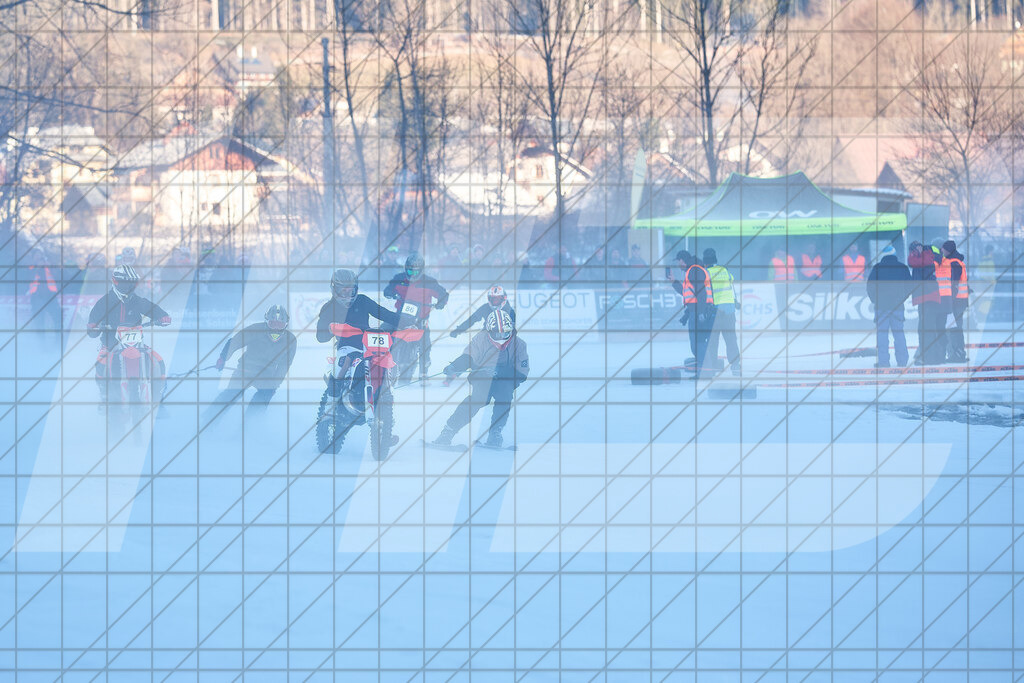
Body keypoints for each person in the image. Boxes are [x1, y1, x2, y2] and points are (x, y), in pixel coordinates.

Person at [431, 310, 529, 448]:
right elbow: (469, 356)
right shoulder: (481, 339)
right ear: (489, 331)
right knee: (478, 399)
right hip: (482, 376)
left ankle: (495, 433)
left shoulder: (519, 344)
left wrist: (501, 372)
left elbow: (522, 372)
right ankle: (448, 431)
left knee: (505, 397)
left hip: (506, 378)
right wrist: (454, 366)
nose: (501, 337)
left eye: (505, 333)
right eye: (497, 334)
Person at [87, 265, 171, 405]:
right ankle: (104, 395)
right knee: (100, 365)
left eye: (131, 283)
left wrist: (162, 316)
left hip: (137, 345)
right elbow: (93, 323)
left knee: (158, 361)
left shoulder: (137, 301)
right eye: (125, 283)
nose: (128, 287)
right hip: (110, 344)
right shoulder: (104, 302)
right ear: (115, 281)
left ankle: (158, 397)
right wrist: (93, 327)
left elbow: (152, 309)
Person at [317, 268, 401, 401]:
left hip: (368, 344)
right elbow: (320, 337)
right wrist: (329, 328)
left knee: (384, 357)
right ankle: (332, 402)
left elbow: (383, 313)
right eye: (343, 291)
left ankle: (386, 385)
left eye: (351, 290)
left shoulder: (362, 301)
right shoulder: (329, 307)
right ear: (334, 290)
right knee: (343, 362)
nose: (347, 294)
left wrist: (404, 322)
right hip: (347, 345)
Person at [207, 305, 297, 419]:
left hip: (267, 376)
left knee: (262, 400)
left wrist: (274, 384)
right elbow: (235, 342)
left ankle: (249, 428)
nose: (275, 328)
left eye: (280, 324)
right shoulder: (255, 330)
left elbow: (284, 365)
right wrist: (223, 358)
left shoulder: (291, 340)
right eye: (272, 323)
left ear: (286, 324)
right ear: (266, 321)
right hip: (245, 370)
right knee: (231, 395)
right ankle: (208, 419)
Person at [383, 253, 449, 381]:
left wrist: (441, 302)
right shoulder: (399, 278)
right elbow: (388, 289)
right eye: (409, 270)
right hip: (400, 316)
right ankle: (380, 361)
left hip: (420, 318)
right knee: (384, 330)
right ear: (405, 269)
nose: (412, 274)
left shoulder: (429, 282)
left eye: (416, 271)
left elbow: (443, 294)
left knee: (425, 339)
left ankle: (424, 368)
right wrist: (390, 293)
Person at [668, 250, 714, 378]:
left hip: (699, 313)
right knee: (698, 344)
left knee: (698, 344)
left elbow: (701, 292)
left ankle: (704, 372)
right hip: (697, 312)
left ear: (682, 260)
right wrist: (674, 282)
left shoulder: (694, 270)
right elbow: (688, 293)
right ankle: (704, 371)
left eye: (679, 262)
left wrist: (701, 312)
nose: (678, 265)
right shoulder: (693, 270)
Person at [866, 245, 912, 368]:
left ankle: (883, 362)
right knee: (899, 334)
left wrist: (875, 300)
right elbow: (910, 286)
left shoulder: (877, 268)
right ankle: (902, 361)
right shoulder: (903, 268)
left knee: (882, 335)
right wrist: (902, 298)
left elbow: (870, 287)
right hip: (898, 307)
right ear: (895, 253)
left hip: (881, 307)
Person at [702, 249, 741, 376]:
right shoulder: (724, 270)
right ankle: (735, 365)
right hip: (729, 310)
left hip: (715, 312)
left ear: (705, 262)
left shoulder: (706, 273)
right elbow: (731, 283)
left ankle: (713, 367)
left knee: (713, 341)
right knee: (731, 339)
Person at [907, 241, 945, 365]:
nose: (912, 254)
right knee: (927, 328)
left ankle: (930, 358)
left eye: (913, 251)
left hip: (927, 296)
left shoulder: (926, 256)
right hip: (928, 296)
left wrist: (916, 253)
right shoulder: (930, 256)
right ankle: (935, 357)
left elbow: (912, 262)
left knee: (926, 328)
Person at [937, 240, 969, 362]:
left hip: (956, 301)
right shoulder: (958, 261)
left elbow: (953, 284)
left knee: (953, 328)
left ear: (948, 250)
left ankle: (955, 354)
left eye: (943, 249)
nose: (942, 251)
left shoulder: (954, 263)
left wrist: (949, 300)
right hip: (960, 300)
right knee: (957, 328)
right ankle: (959, 353)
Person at [450, 285, 516, 337]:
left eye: (498, 299)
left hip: (504, 339)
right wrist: (458, 330)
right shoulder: (485, 308)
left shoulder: (509, 311)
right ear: (489, 299)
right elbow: (472, 319)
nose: (495, 302)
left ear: (503, 298)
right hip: (486, 336)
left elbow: (513, 327)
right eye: (493, 299)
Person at [26, 251, 61, 335]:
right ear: (33, 258)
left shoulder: (49, 267)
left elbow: (58, 276)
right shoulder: (31, 268)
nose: (39, 258)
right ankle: (41, 345)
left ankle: (58, 342)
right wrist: (37, 267)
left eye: (40, 256)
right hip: (36, 297)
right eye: (36, 256)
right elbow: (28, 278)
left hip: (50, 296)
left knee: (58, 318)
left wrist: (50, 265)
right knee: (39, 321)